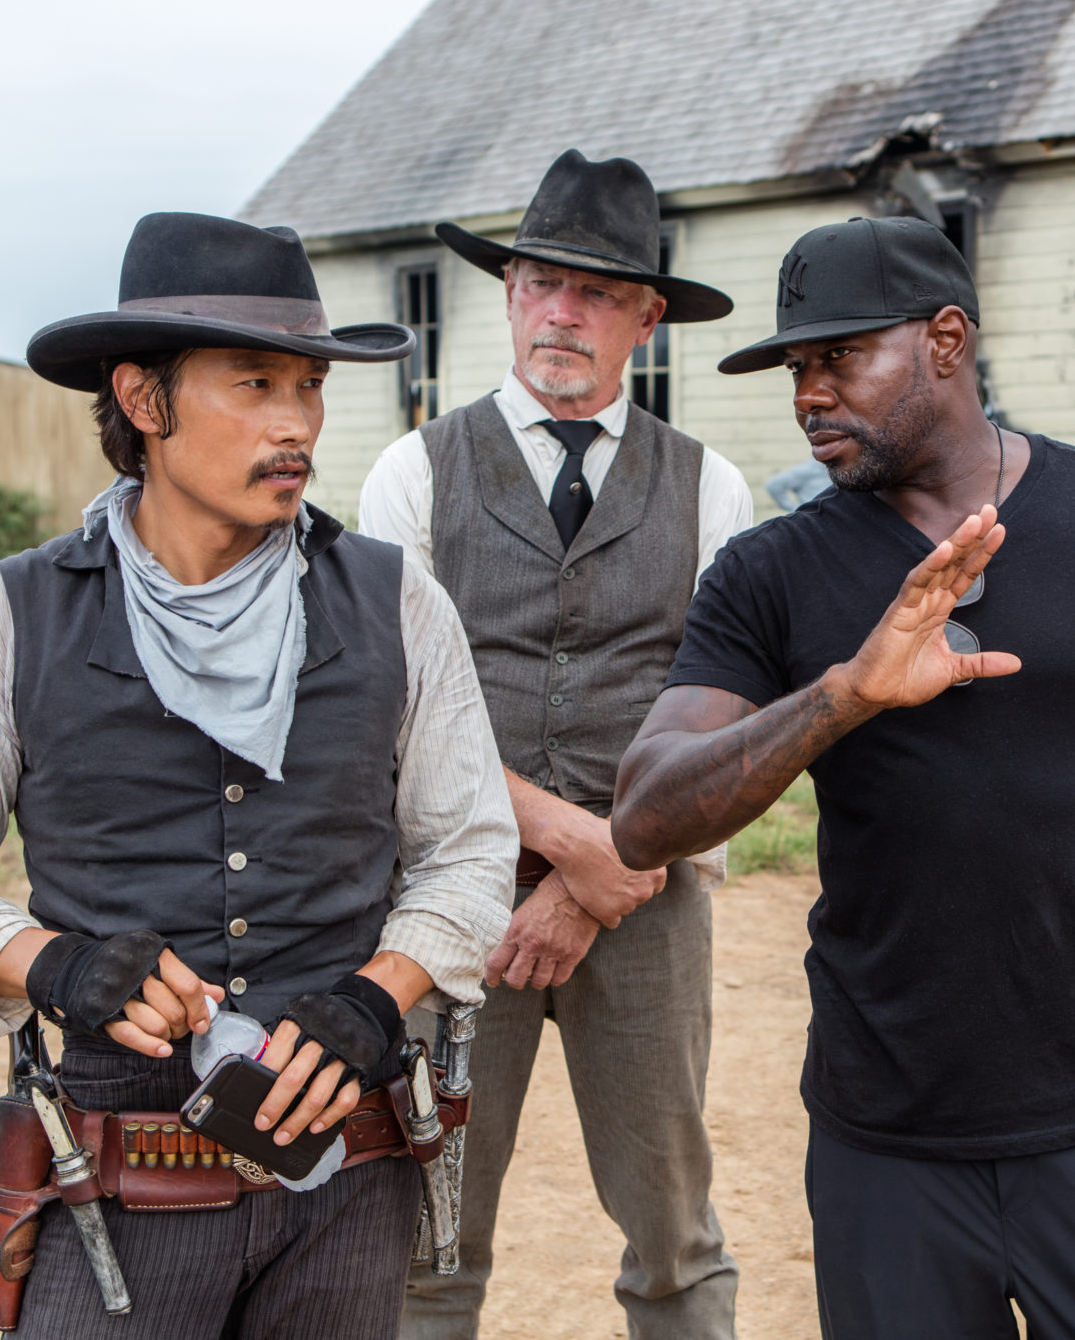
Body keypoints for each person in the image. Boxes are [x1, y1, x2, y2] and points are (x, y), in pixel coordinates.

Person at [610, 216, 1075, 1339]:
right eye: (794, 366)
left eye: (838, 357)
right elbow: (642, 816)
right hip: (885, 1145)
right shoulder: (769, 573)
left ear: (945, 339)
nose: (807, 395)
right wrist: (845, 694)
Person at [0, 212, 517, 1339]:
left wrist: (377, 995)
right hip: (114, 1177)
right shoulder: (11, 618)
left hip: (345, 1170)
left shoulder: (398, 601)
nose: (294, 422)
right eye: (252, 384)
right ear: (144, 402)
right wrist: (52, 963)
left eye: (307, 388)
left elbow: (467, 845)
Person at [358, 150, 749, 1340]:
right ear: (510, 294)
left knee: (674, 1234)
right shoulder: (411, 472)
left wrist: (604, 878)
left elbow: (730, 717)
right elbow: (393, 713)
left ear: (644, 317)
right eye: (538, 283)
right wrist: (568, 845)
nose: (560, 313)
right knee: (423, 1227)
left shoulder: (711, 489)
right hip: (448, 902)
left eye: (593, 292)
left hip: (649, 905)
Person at [767, 453, 832, 511]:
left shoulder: (834, 468)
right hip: (814, 518)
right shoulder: (807, 469)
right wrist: (795, 509)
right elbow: (774, 485)